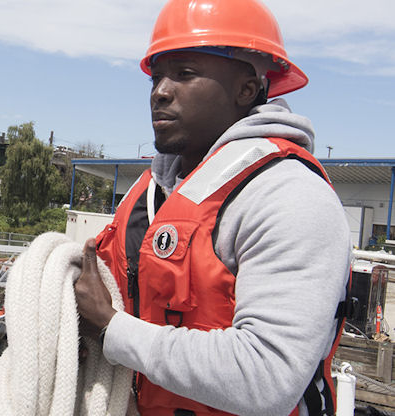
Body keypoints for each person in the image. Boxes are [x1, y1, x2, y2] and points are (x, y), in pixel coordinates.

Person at [73, 0, 352, 415]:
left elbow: (267, 376)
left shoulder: (289, 195)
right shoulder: (151, 191)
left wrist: (111, 328)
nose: (160, 92)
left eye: (185, 73)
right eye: (156, 76)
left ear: (246, 88)